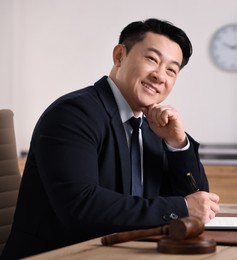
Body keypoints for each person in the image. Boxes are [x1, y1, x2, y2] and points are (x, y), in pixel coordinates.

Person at [1, 18, 220, 259]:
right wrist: (182, 208)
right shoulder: (73, 114)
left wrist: (177, 144)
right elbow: (82, 206)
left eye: (171, 70)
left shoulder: (154, 126)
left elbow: (200, 202)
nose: (160, 76)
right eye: (151, 59)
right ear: (119, 56)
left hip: (127, 252)